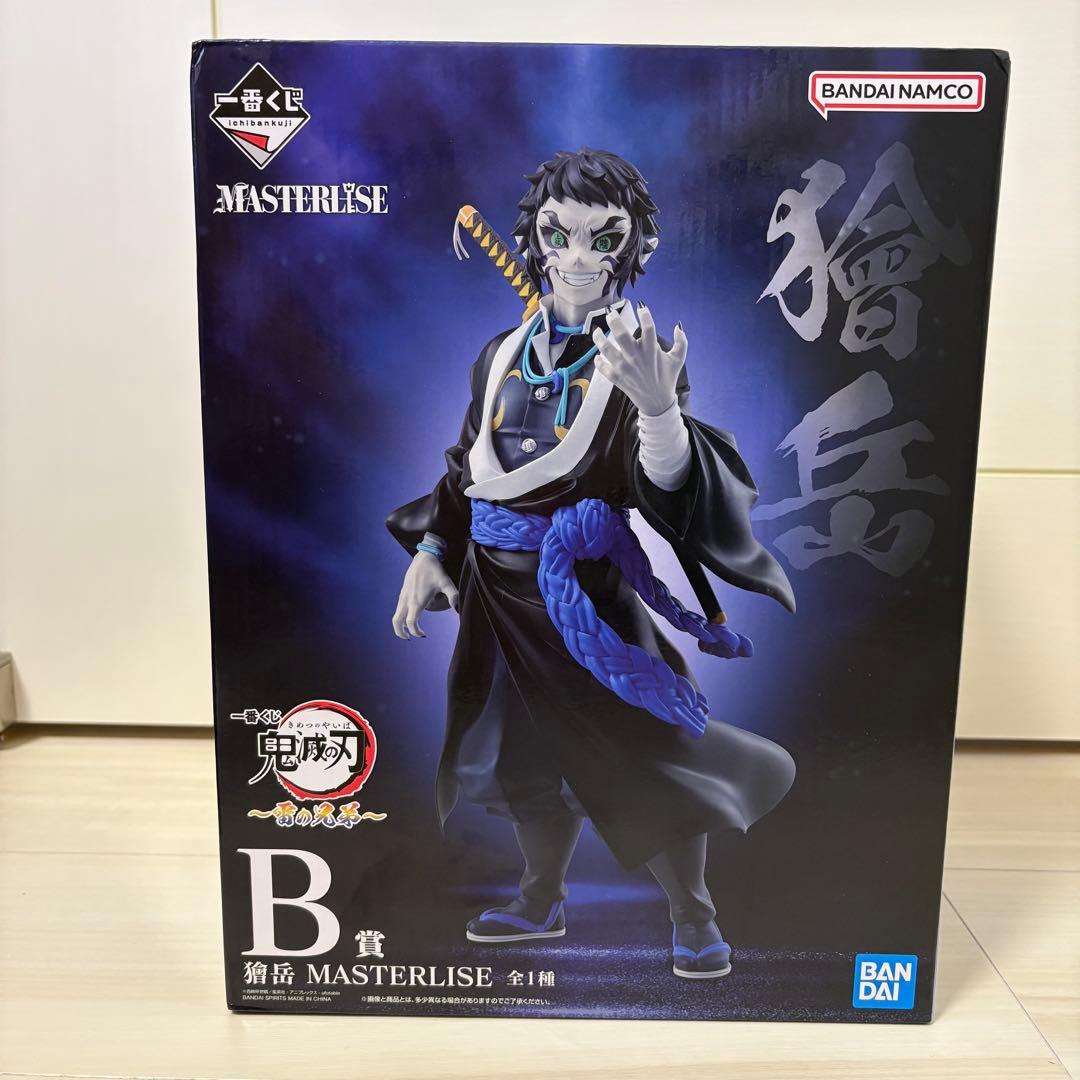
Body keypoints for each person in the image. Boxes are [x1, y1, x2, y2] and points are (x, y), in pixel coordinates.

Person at [387, 148, 796, 979]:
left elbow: (664, 493)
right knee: (519, 756)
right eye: (558, 234)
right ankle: (541, 898)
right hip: (494, 595)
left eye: (602, 238)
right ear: (535, 240)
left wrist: (659, 409)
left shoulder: (638, 355)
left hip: (586, 596)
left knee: (642, 755)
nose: (576, 257)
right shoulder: (501, 353)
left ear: (634, 245)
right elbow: (467, 466)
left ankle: (694, 914)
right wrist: (432, 549)